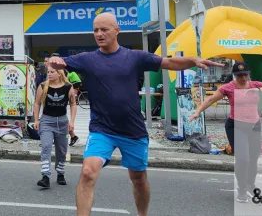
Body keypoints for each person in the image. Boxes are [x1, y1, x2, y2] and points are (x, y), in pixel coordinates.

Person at [46, 13, 222, 216]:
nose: (99, 34)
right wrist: (56, 60)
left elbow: (170, 63)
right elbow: (59, 62)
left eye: (104, 29)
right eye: (95, 30)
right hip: (102, 129)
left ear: (117, 30)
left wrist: (193, 60)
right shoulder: (87, 60)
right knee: (87, 172)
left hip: (133, 130)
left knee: (138, 178)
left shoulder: (135, 57)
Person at [188, 61, 262, 203]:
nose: (243, 78)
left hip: (254, 126)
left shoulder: (255, 85)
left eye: (245, 75)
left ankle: (250, 185)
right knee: (243, 159)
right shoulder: (229, 88)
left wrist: (261, 90)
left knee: (253, 159)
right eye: (239, 76)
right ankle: (242, 189)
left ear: (248, 74)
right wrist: (197, 112)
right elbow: (211, 99)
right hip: (236, 126)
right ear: (234, 76)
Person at [33, 66, 77, 188]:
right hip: (47, 121)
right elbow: (37, 104)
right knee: (46, 146)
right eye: (48, 72)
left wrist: (72, 122)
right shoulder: (42, 86)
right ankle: (45, 176)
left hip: (62, 122)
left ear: (59, 73)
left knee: (62, 150)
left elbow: (73, 104)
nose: (49, 74)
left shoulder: (68, 87)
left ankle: (60, 173)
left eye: (52, 72)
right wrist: (36, 120)